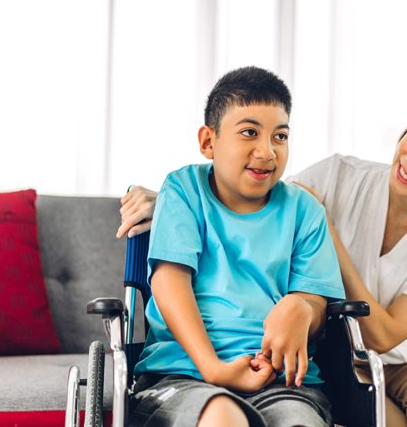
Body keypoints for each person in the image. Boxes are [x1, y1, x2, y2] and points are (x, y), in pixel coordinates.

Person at [119, 88, 407, 427]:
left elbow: (386, 335)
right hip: (335, 341)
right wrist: (170, 202)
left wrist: (329, 233)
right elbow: (252, 194)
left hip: (404, 345)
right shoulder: (339, 174)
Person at [127, 66, 346, 427]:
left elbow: (317, 306)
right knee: (223, 417)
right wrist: (214, 369)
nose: (267, 151)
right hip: (184, 372)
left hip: (283, 380)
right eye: (249, 133)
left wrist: (302, 309)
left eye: (280, 136)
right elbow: (169, 281)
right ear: (208, 141)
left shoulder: (304, 210)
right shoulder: (183, 189)